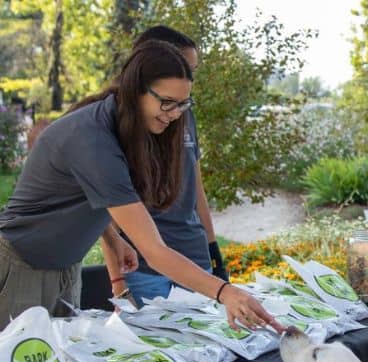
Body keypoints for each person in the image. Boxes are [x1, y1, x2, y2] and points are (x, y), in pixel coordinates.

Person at [0, 40, 281, 333]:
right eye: (167, 102)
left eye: (183, 104)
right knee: (19, 358)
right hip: (23, 262)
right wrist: (225, 292)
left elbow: (88, 194)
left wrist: (112, 238)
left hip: (67, 264)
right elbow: (154, 251)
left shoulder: (130, 127)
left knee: (61, 355)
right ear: (136, 90)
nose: (175, 114)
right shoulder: (92, 137)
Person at [101, 25, 228, 306]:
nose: (189, 78)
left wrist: (212, 249)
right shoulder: (111, 124)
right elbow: (104, 212)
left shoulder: (184, 115)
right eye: (184, 67)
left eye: (192, 71)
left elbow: (196, 187)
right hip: (144, 268)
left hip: (194, 261)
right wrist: (118, 283)